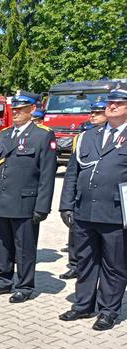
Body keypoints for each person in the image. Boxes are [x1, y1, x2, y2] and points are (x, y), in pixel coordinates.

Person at [58, 84, 127, 330]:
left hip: (116, 214)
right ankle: (83, 305)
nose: (112, 106)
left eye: (118, 103)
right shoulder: (88, 136)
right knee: (85, 261)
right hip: (85, 211)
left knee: (114, 265)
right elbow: (72, 174)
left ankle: (108, 310)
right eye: (110, 102)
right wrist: (66, 205)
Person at [0, 90, 57, 303]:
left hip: (26, 202)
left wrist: (42, 207)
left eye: (21, 109)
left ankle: (24, 286)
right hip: (3, 201)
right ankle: (3, 280)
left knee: (24, 247)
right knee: (3, 244)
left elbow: (47, 174)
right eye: (13, 109)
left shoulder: (42, 135)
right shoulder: (3, 135)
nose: (15, 112)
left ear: (32, 109)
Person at [60, 98, 108, 280]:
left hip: (106, 205)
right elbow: (72, 172)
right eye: (92, 112)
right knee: (76, 235)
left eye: (97, 113)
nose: (93, 116)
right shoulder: (84, 136)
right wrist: (67, 203)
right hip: (83, 201)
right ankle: (75, 264)